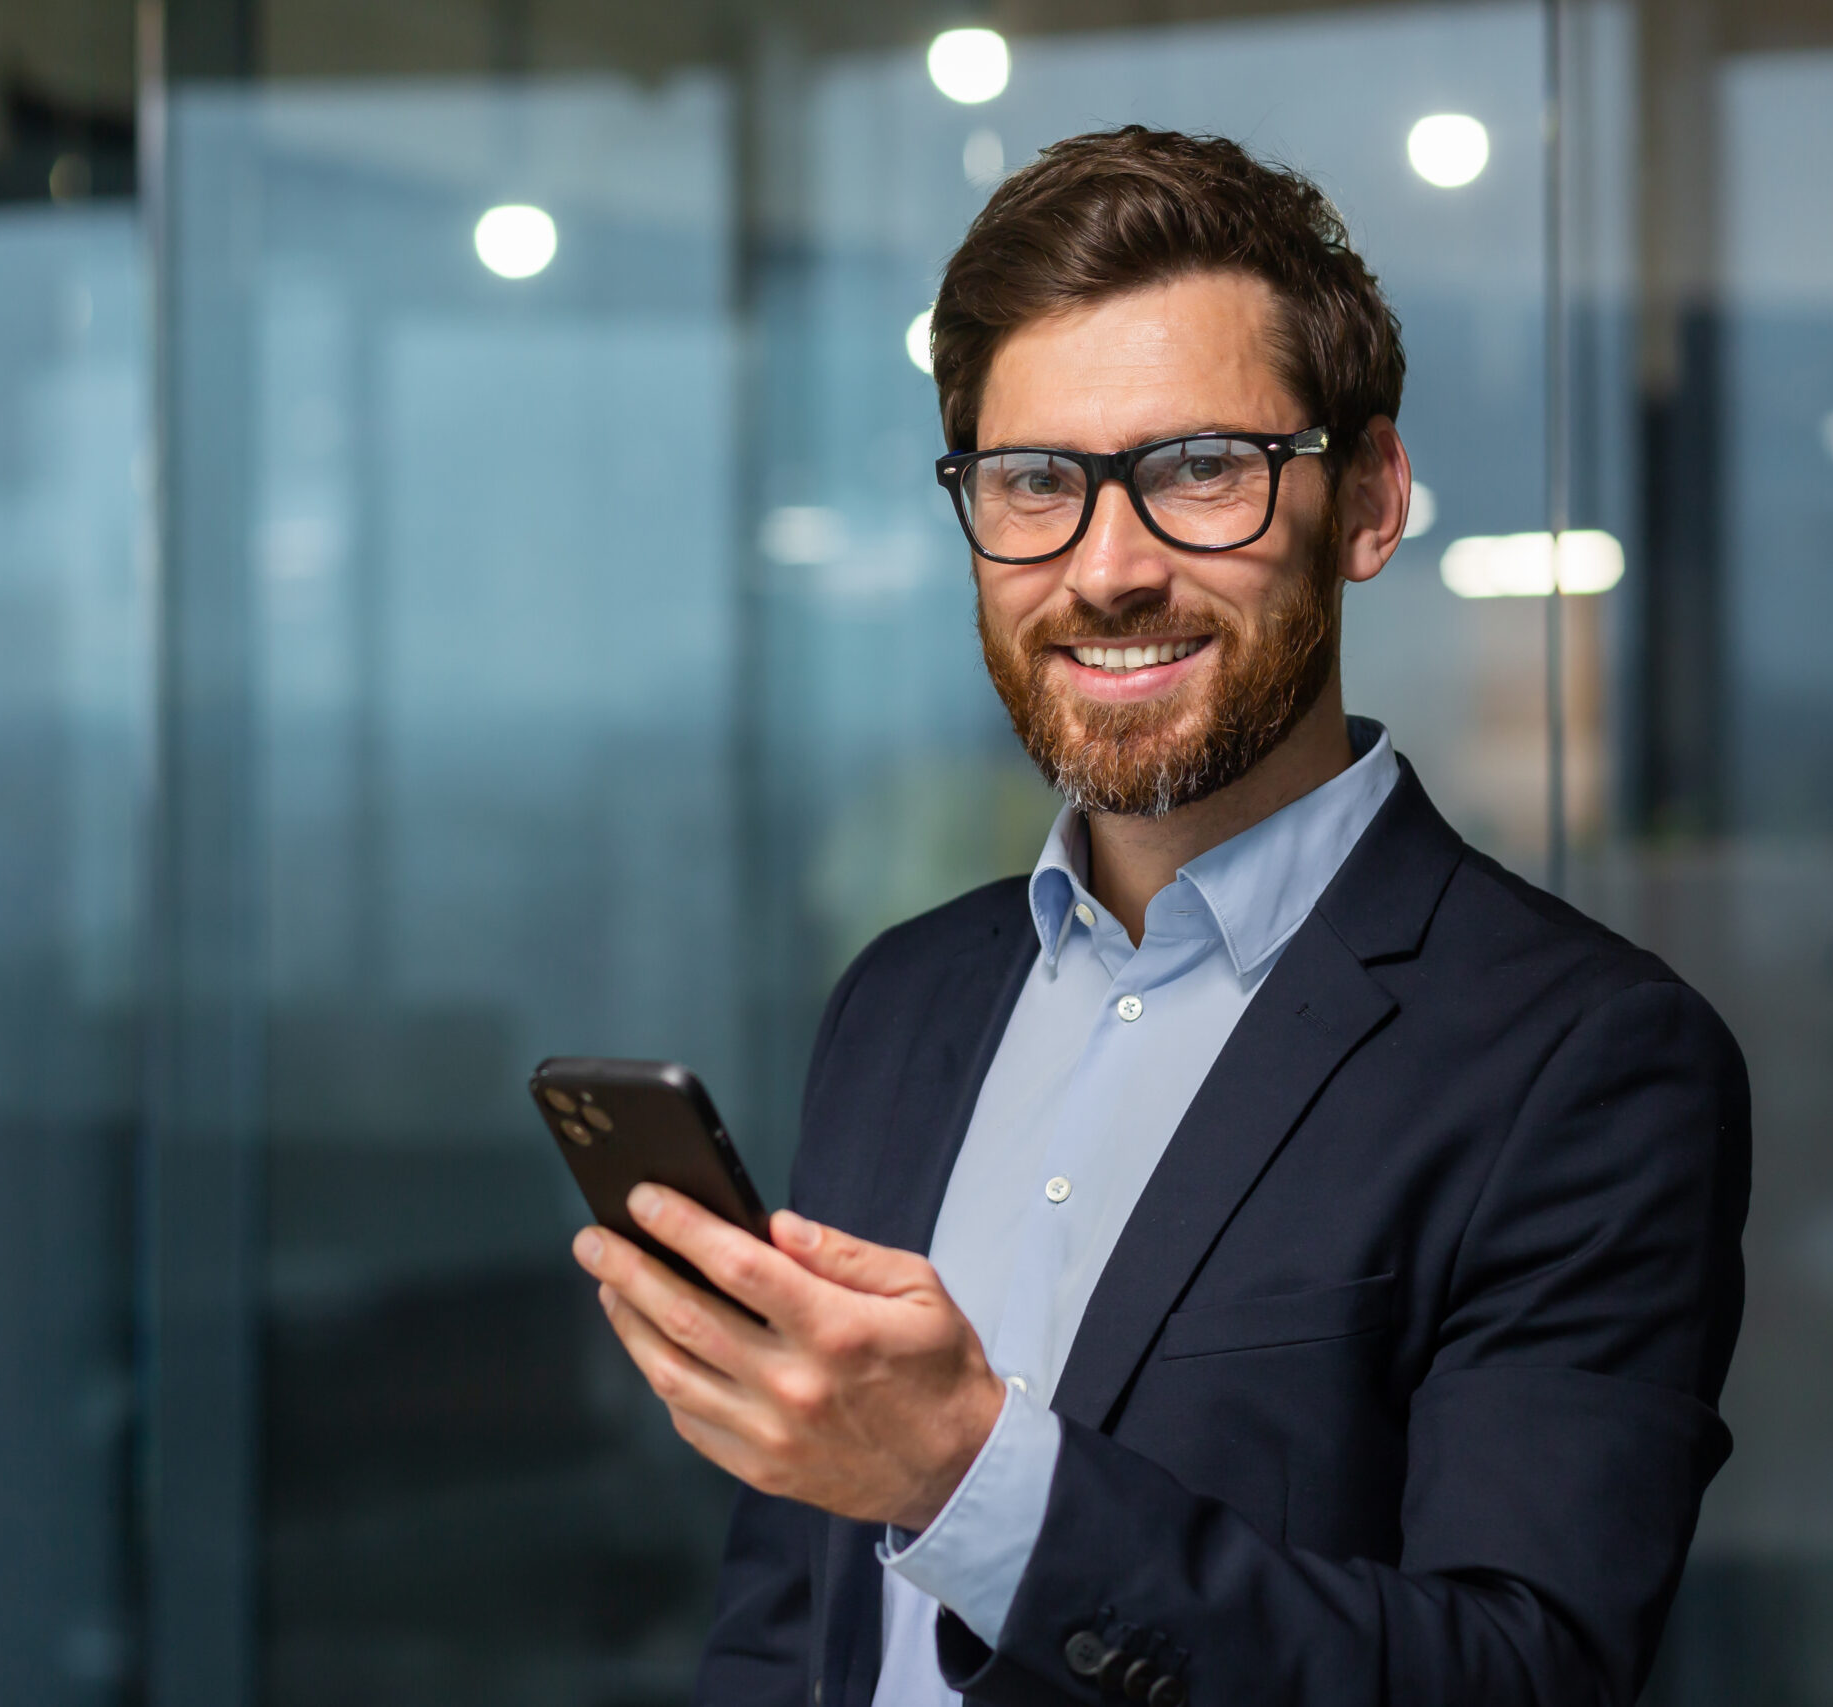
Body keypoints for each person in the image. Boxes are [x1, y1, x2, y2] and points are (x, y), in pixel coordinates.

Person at [569, 126, 1749, 1707]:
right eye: (1035, 482)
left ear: (1372, 503)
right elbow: (794, 1622)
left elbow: (1518, 1674)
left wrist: (972, 1480)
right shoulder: (904, 1001)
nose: (1107, 567)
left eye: (1202, 470)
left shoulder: (1589, 1063)